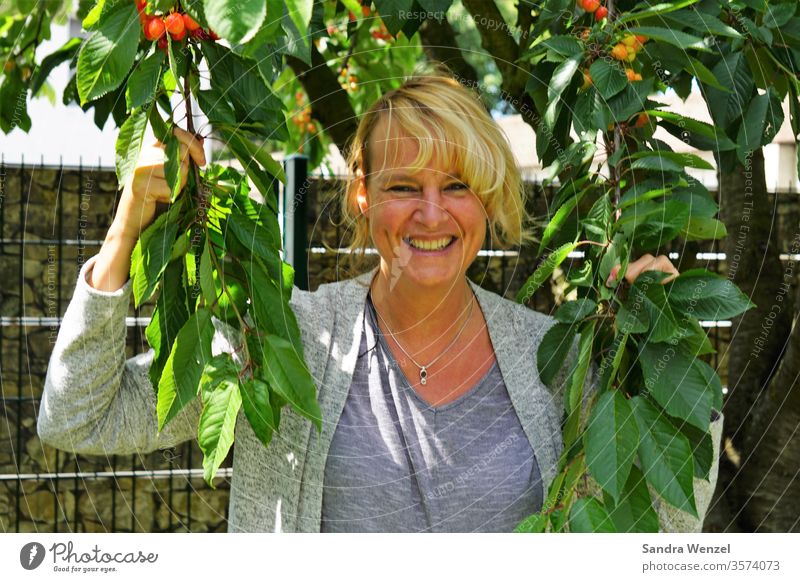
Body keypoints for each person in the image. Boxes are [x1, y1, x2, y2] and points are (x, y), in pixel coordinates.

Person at [38, 69, 722, 533]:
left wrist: (665, 355)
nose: (431, 215)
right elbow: (78, 419)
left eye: (456, 185)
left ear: (486, 198)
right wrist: (126, 231)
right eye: (403, 187)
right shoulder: (287, 344)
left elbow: (672, 525)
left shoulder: (552, 356)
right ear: (361, 193)